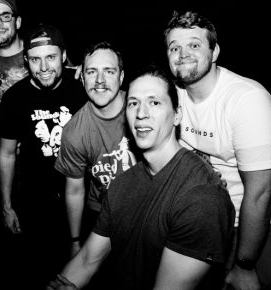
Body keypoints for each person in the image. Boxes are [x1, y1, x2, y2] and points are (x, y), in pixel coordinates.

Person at [47, 64, 235, 290]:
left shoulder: (201, 196)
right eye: (133, 103)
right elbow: (89, 259)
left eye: (154, 103)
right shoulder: (121, 184)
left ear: (177, 115)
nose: (141, 113)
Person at [164, 10, 271, 290]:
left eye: (194, 44)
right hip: (203, 220)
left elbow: (260, 192)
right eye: (174, 47)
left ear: (214, 53)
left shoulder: (247, 100)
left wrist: (245, 264)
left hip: (253, 226)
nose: (182, 53)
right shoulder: (172, 94)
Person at [0, 23, 87, 288]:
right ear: (26, 61)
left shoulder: (83, 86)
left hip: (83, 197)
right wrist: (7, 206)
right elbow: (7, 154)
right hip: (36, 202)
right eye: (35, 59)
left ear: (64, 56)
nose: (44, 67)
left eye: (51, 57)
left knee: (82, 272)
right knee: (39, 272)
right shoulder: (14, 98)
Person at [54, 41, 137, 259]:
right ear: (82, 78)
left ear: (121, 76)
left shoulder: (141, 109)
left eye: (109, 71)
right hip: (103, 214)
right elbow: (74, 190)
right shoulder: (75, 131)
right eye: (92, 72)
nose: (100, 81)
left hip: (148, 209)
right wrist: (75, 241)